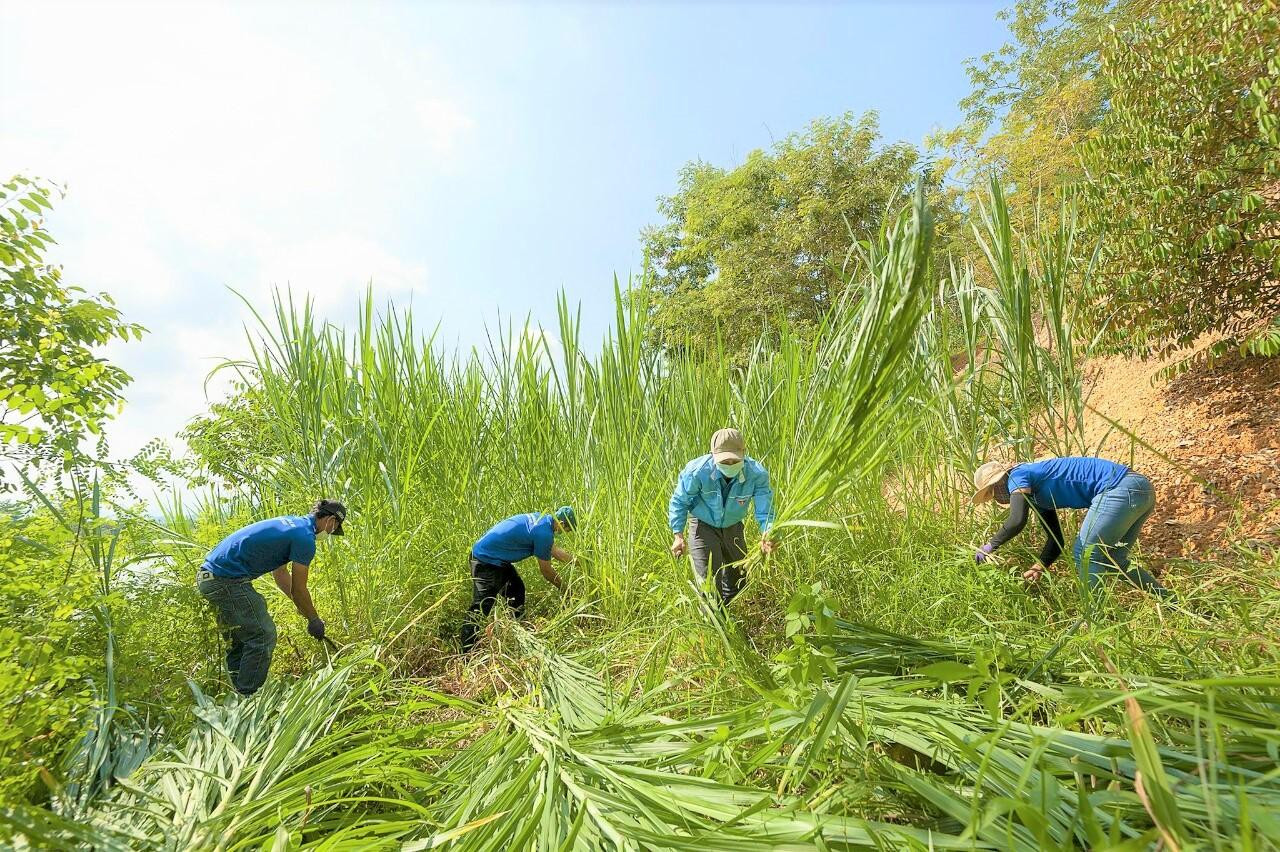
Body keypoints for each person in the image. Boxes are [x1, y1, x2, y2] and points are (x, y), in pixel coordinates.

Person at [197, 499, 346, 696]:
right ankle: (249, 697)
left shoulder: (294, 524)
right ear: (331, 520)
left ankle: (236, 697)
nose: (331, 532)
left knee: (239, 640)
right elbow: (299, 589)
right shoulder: (305, 538)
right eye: (334, 528)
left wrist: (301, 606)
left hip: (208, 577)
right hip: (226, 581)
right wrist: (314, 619)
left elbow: (280, 573)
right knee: (263, 635)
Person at [972, 457, 1173, 599]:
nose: (997, 496)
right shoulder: (1037, 495)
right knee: (1114, 560)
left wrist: (990, 546)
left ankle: (1095, 620)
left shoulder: (1018, 475)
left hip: (1119, 488)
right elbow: (1055, 540)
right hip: (1139, 489)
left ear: (1001, 480)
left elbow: (1016, 521)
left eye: (993, 490)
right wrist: (1039, 566)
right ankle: (1171, 602)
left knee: (1085, 554)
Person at [669, 428, 775, 606]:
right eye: (725, 461)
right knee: (709, 584)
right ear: (713, 455)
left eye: (735, 460)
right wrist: (678, 535)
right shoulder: (697, 472)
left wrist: (768, 533)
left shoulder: (756, 474)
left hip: (733, 526)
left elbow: (766, 510)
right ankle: (713, 620)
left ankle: (729, 615)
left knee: (739, 578)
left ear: (744, 453)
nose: (730, 464)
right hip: (703, 526)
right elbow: (680, 501)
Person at [460, 506, 577, 650]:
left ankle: (517, 633)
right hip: (485, 561)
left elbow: (555, 551)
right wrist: (567, 591)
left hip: (496, 559)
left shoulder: (542, 521)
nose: (567, 532)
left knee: (516, 590)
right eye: (568, 529)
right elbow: (546, 571)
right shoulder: (543, 533)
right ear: (562, 523)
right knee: (481, 606)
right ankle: (466, 652)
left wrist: (578, 562)